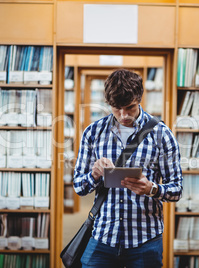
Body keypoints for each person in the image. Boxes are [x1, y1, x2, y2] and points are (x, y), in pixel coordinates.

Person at [73, 69, 183, 268]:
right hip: (103, 237)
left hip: (145, 240)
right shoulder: (93, 133)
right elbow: (79, 187)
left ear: (139, 99)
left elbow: (176, 189)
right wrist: (95, 174)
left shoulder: (162, 134)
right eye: (116, 108)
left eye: (129, 107)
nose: (123, 115)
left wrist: (152, 189)